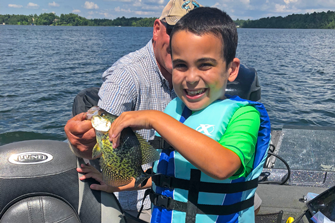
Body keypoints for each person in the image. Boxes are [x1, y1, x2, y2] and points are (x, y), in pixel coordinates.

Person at [106, 7, 271, 223]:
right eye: (181, 65)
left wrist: (155, 118)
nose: (191, 78)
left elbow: (223, 166)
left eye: (204, 65)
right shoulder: (173, 111)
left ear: (231, 69)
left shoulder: (244, 115)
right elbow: (169, 174)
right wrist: (121, 180)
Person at [64, 0, 201, 221]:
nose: (182, 43)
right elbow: (100, 141)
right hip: (139, 203)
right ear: (157, 29)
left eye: (193, 35)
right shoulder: (126, 76)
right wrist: (81, 143)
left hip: (180, 187)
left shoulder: (196, 78)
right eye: (176, 31)